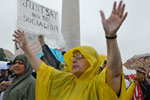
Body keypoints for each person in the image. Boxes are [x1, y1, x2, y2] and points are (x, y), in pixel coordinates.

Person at [13, 1, 132, 100]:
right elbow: (42, 69)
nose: (74, 60)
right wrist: (25, 48)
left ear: (92, 62)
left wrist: (111, 37)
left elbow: (115, 74)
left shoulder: (98, 84)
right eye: (73, 57)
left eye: (80, 57)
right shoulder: (64, 80)